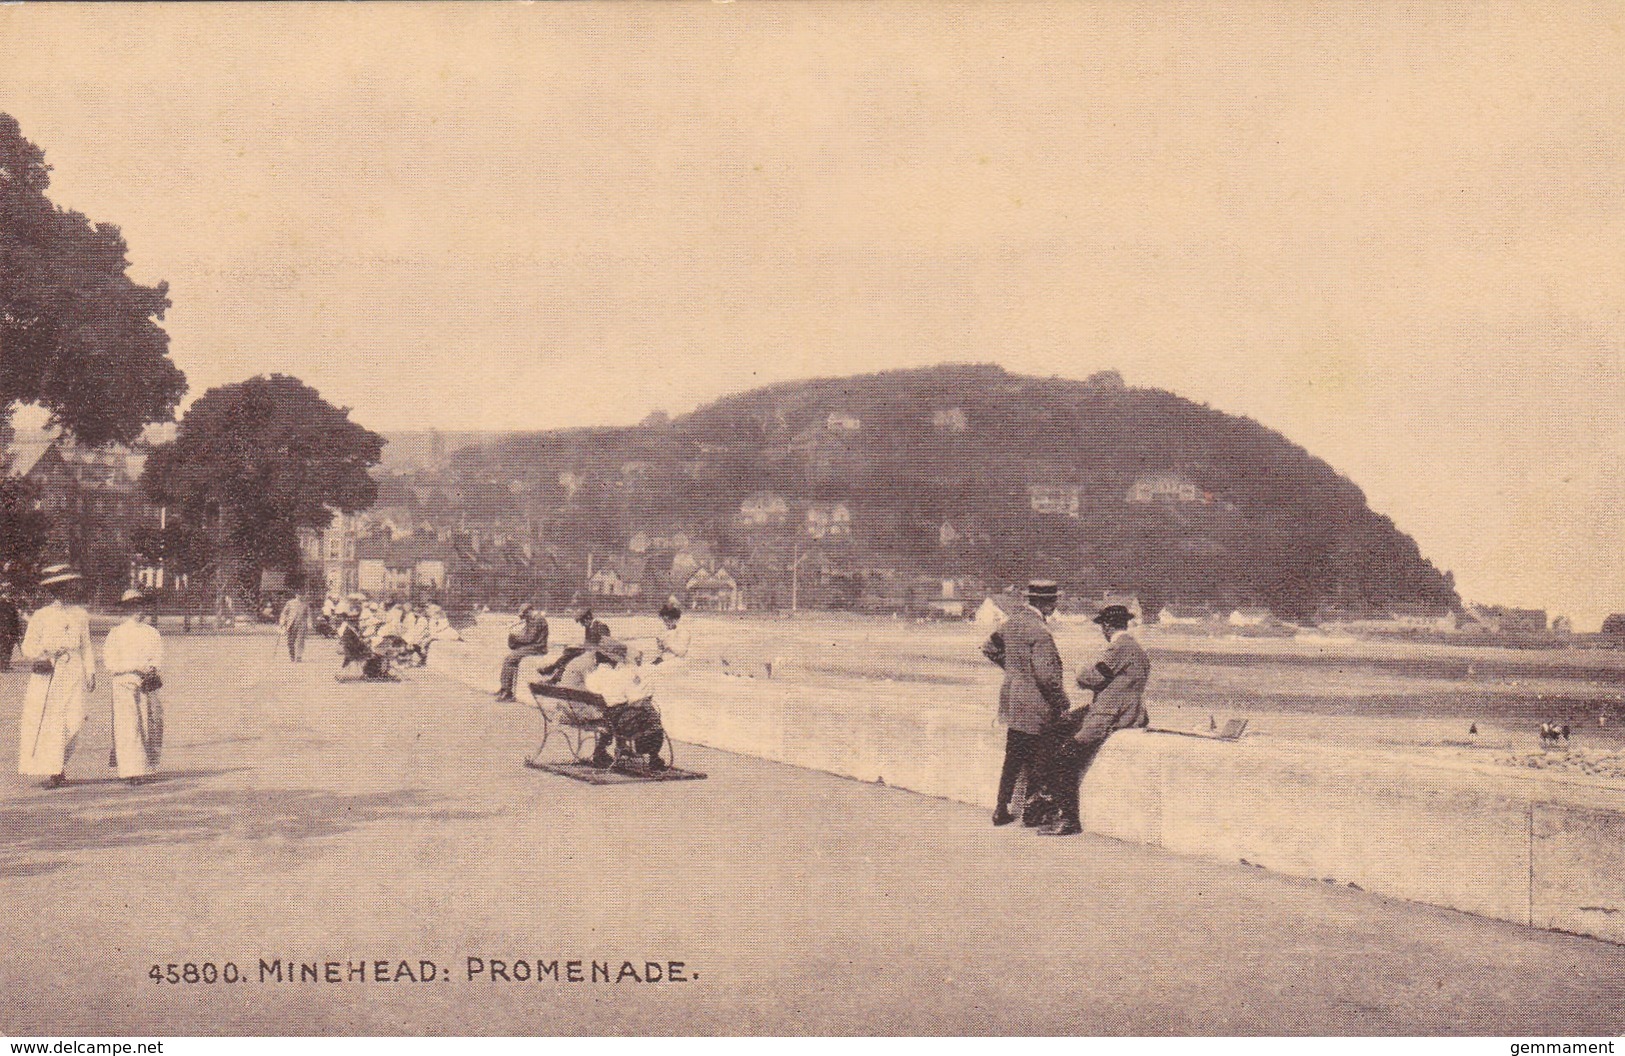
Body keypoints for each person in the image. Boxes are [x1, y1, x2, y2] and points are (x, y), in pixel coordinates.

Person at [1040, 603, 1151, 837]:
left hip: (1109, 713)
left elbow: (1091, 677)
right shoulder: (1136, 649)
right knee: (1057, 730)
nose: (1102, 630)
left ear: (1107, 626)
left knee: (1066, 756)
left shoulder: (1119, 648)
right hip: (1122, 710)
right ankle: (1048, 800)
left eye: (1103, 626)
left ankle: (1068, 819)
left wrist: (1079, 671)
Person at [981, 580, 1070, 828]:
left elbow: (989, 648)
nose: (1054, 605)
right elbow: (1046, 677)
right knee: (1038, 759)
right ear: (1046, 603)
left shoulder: (1011, 624)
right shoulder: (1040, 632)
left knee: (1012, 757)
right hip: (1036, 705)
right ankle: (1032, 814)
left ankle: (1000, 809)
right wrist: (1062, 702)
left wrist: (1013, 671)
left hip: (1012, 700)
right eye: (1053, 601)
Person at [17, 565, 96, 787]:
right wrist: (46, 653)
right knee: (52, 722)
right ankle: (55, 769)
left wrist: (90, 671)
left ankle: (59, 763)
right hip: (50, 673)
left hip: (73, 671)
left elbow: (86, 645)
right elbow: (28, 647)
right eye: (57, 588)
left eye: (66, 587)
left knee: (74, 719)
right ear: (51, 591)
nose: (63, 592)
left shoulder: (80, 615)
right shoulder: (41, 616)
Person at [103, 589, 165, 784]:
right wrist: (132, 668)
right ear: (127, 609)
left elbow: (157, 656)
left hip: (145, 682)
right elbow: (110, 662)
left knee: (149, 723)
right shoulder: (116, 633)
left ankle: (143, 766)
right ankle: (131, 770)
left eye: (141, 606)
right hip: (124, 682)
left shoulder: (151, 632)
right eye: (134, 607)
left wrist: (151, 668)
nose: (139, 611)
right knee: (127, 726)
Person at [584, 639, 666, 771]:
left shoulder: (591, 675)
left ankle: (602, 751)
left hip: (602, 718)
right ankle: (653, 757)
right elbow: (633, 699)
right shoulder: (616, 676)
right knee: (650, 714)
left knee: (640, 711)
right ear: (613, 659)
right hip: (617, 722)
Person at [494, 603, 550, 702]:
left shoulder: (537, 619)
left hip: (538, 647)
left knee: (510, 659)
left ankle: (508, 693)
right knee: (507, 658)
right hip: (532, 645)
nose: (524, 617)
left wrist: (514, 636)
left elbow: (529, 638)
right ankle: (504, 688)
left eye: (524, 615)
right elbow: (527, 635)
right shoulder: (532, 618)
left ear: (529, 611)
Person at [279, 592, 312, 662]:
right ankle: (292, 655)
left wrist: (309, 623)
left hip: (301, 624)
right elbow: (284, 613)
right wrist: (282, 621)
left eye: (303, 595)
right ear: (296, 595)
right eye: (300, 594)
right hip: (291, 624)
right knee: (290, 641)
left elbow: (308, 615)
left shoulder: (305, 604)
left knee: (300, 640)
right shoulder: (290, 603)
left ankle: (299, 656)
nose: (301, 596)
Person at [0, 590, 21, 671]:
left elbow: (15, 619)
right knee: (3, 647)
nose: (7, 595)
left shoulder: (11, 605)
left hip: (11, 630)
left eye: (8, 594)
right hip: (3, 630)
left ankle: (6, 664)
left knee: (9, 648)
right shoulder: (2, 604)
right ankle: (2, 665)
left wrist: (17, 631)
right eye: (5, 594)